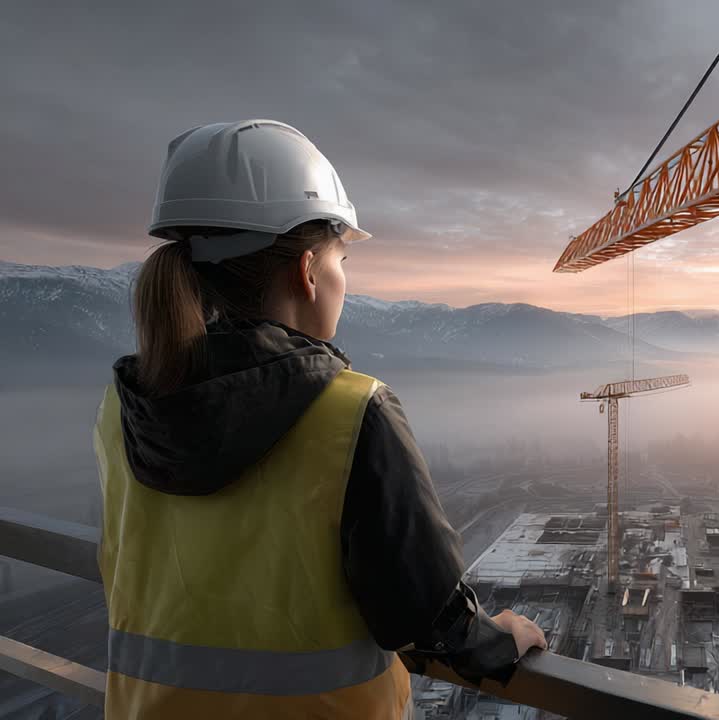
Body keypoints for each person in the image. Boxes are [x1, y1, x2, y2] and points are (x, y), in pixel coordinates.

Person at [94, 119, 546, 719]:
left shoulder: (126, 405)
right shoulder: (351, 411)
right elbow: (423, 612)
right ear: (308, 271)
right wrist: (498, 640)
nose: (342, 280)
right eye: (341, 260)